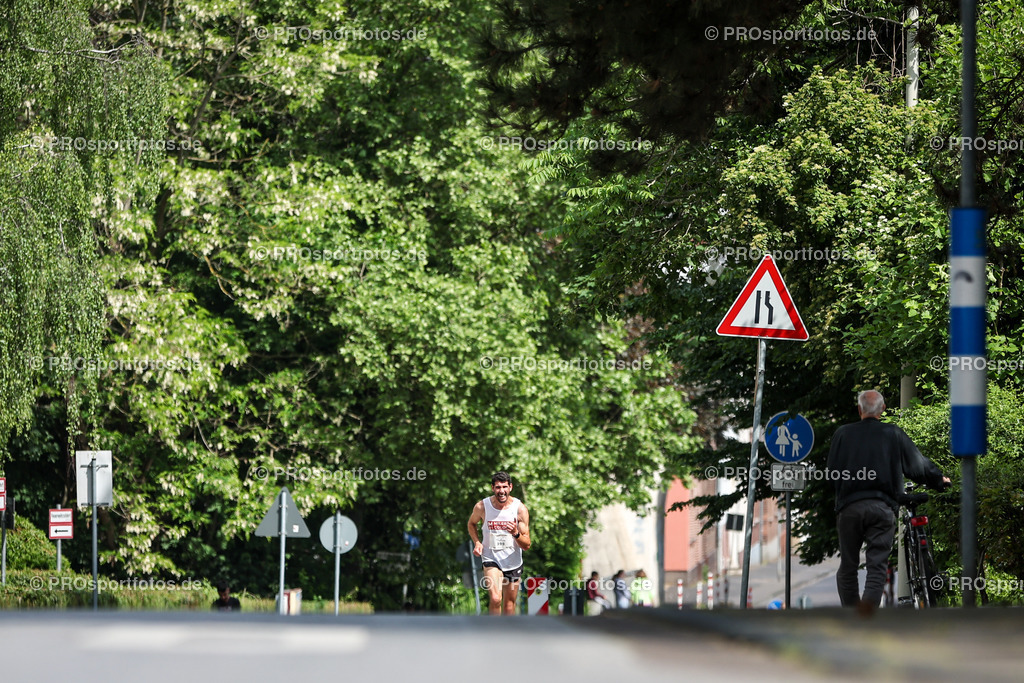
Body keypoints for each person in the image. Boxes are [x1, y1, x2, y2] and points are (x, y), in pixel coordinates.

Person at [826, 389, 949, 612]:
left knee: (848, 566)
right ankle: (866, 616)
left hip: (850, 508)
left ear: (859, 409)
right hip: (882, 508)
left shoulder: (842, 434)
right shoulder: (892, 433)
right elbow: (917, 465)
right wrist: (939, 479)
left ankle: (850, 615)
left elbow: (832, 472)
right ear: (883, 409)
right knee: (876, 567)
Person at [467, 471, 531, 615]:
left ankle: (507, 635)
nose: (501, 491)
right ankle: (493, 633)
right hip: (491, 557)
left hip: (512, 561)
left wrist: (515, 533)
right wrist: (477, 542)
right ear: (492, 488)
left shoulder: (519, 509)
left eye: (504, 487)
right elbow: (471, 524)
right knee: (496, 598)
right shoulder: (482, 506)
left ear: (510, 487)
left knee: (509, 606)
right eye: (498, 487)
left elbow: (526, 545)